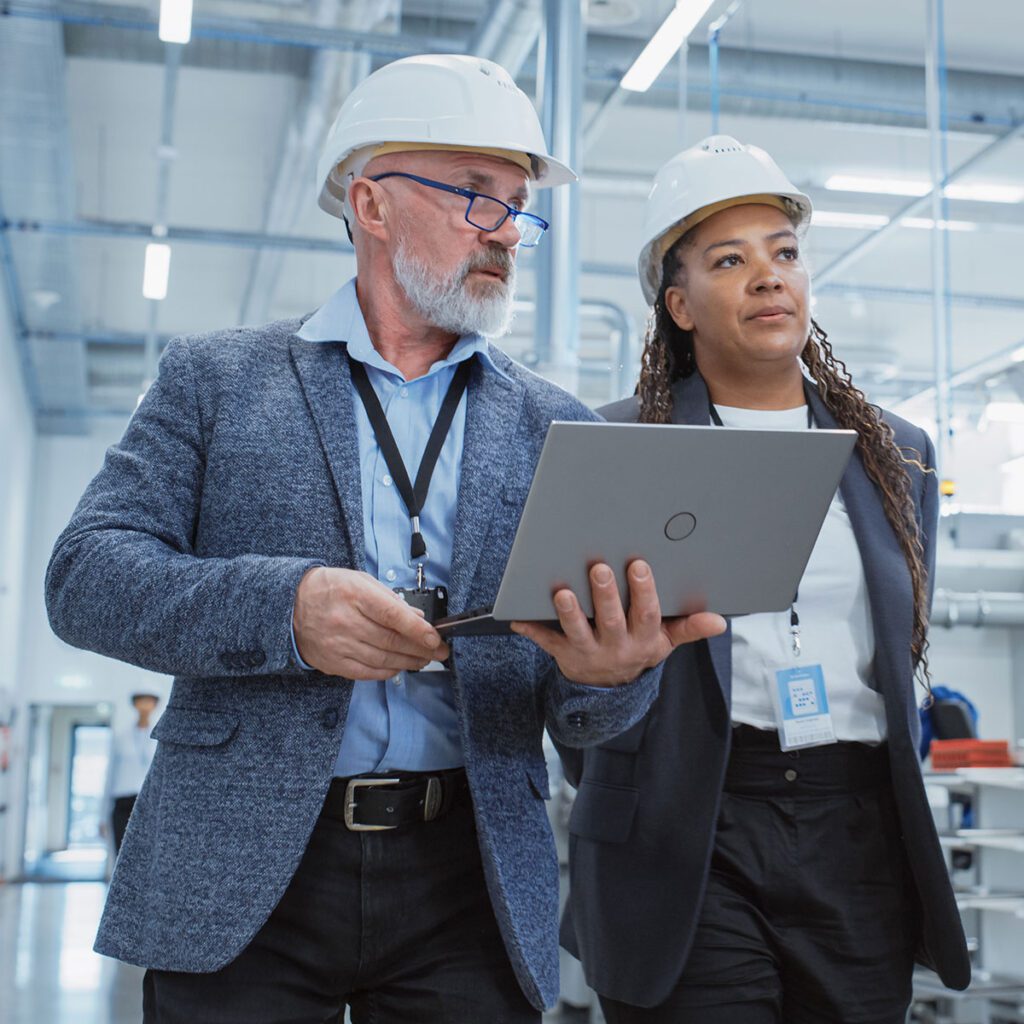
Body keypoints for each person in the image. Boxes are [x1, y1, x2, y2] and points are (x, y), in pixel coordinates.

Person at [44, 55, 724, 1023]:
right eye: (475, 197)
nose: (506, 234)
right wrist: (288, 611)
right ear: (369, 203)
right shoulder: (218, 380)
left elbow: (577, 718)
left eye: (518, 209)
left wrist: (612, 673)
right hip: (246, 868)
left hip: (469, 876)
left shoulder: (558, 429)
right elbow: (83, 575)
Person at [559, 135, 971, 1023]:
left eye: (784, 253)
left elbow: (898, 643)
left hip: (855, 828)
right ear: (679, 304)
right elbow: (571, 665)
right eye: (730, 260)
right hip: (688, 829)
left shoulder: (897, 453)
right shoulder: (618, 447)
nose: (768, 276)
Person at [105, 691, 160, 854]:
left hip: (150, 802)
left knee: (147, 854)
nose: (145, 705)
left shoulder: (160, 738)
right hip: (123, 803)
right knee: (121, 852)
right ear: (134, 704)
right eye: (141, 701)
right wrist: (102, 816)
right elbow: (110, 776)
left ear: (155, 705)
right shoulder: (121, 737)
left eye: (149, 701)